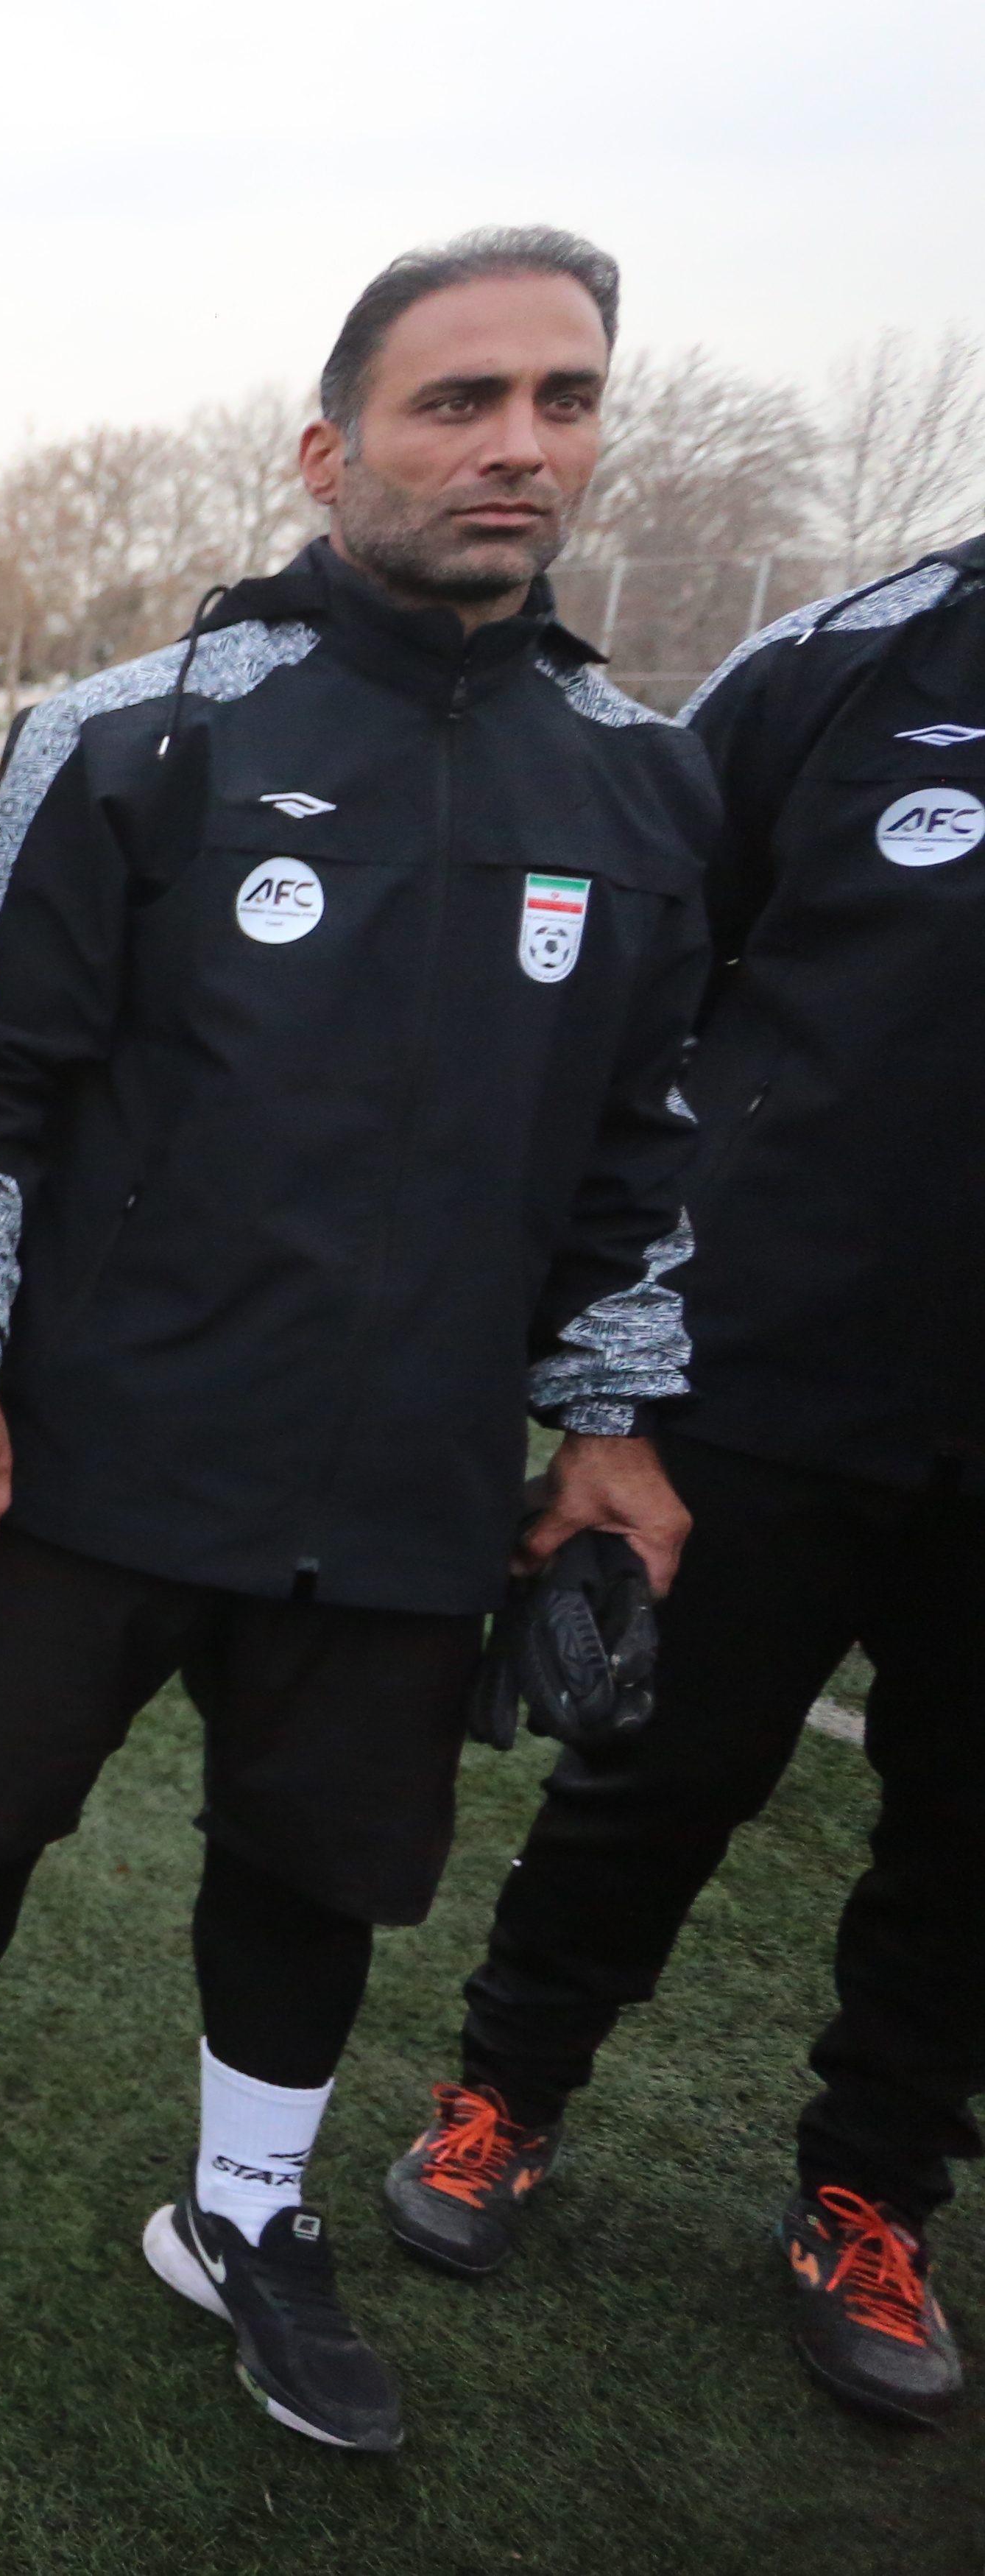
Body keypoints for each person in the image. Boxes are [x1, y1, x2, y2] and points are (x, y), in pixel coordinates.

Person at [0, 228, 713, 2454]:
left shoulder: (640, 777)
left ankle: (243, 2213)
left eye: (559, 400)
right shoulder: (139, 728)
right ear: (325, 447)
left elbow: (647, 1141)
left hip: (403, 1471)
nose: (513, 445)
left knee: (311, 1868)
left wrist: (604, 1416)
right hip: (94, 1437)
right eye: (454, 402)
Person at [383, 527, 985, 2429]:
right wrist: (611, 1373)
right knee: (655, 1770)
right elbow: (641, 979)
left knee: (968, 1835)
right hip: (773, 1367)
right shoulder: (848, 665)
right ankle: (504, 2090)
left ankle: (870, 2194)